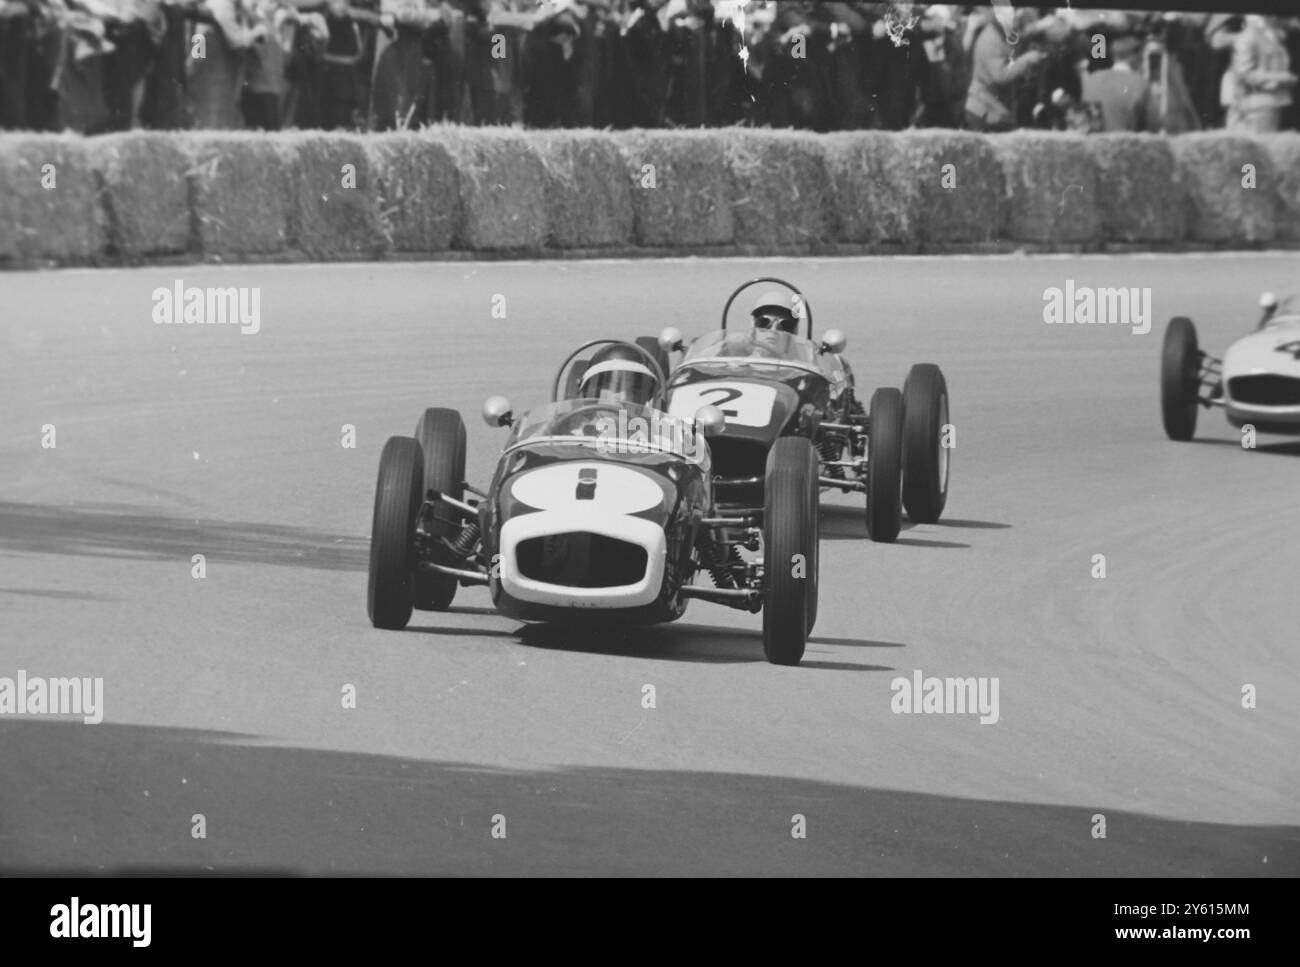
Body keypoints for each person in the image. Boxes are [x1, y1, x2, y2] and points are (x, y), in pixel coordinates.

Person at [1227, 14, 1295, 134]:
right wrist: (1283, 78)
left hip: (1274, 102)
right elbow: (1244, 75)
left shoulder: (1271, 34)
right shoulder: (1249, 37)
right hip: (1258, 105)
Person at [577, 344, 662, 408]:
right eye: (615, 388)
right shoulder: (571, 430)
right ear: (592, 392)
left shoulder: (655, 430)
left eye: (633, 392)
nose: (624, 398)